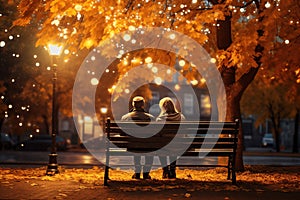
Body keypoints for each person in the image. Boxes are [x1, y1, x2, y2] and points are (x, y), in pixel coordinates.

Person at [121, 96, 155, 180]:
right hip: (147, 146)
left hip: (132, 145)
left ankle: (137, 172)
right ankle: (146, 173)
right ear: (143, 104)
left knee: (136, 146)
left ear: (133, 105)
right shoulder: (151, 118)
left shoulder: (125, 118)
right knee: (148, 146)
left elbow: (122, 134)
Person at [156, 97, 185, 179]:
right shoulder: (181, 117)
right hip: (178, 145)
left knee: (161, 147)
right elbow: (184, 133)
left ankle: (165, 170)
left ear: (163, 108)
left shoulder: (160, 119)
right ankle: (172, 170)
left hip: (165, 146)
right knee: (174, 145)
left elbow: (158, 135)